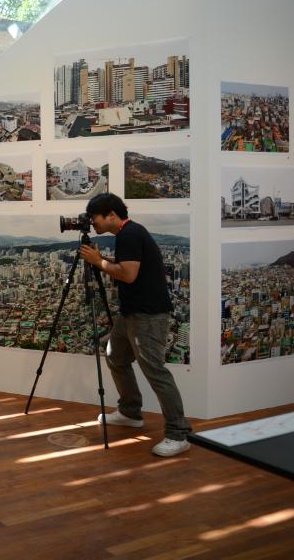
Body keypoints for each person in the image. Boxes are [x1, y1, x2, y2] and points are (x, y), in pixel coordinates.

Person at [78, 192, 192, 457]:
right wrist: (102, 261)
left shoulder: (130, 234)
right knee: (115, 357)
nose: (92, 222)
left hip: (148, 315)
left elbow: (128, 275)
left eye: (95, 216)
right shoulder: (127, 234)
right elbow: (130, 271)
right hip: (131, 313)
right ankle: (130, 411)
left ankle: (178, 433)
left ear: (111, 215)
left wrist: (98, 262)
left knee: (155, 371)